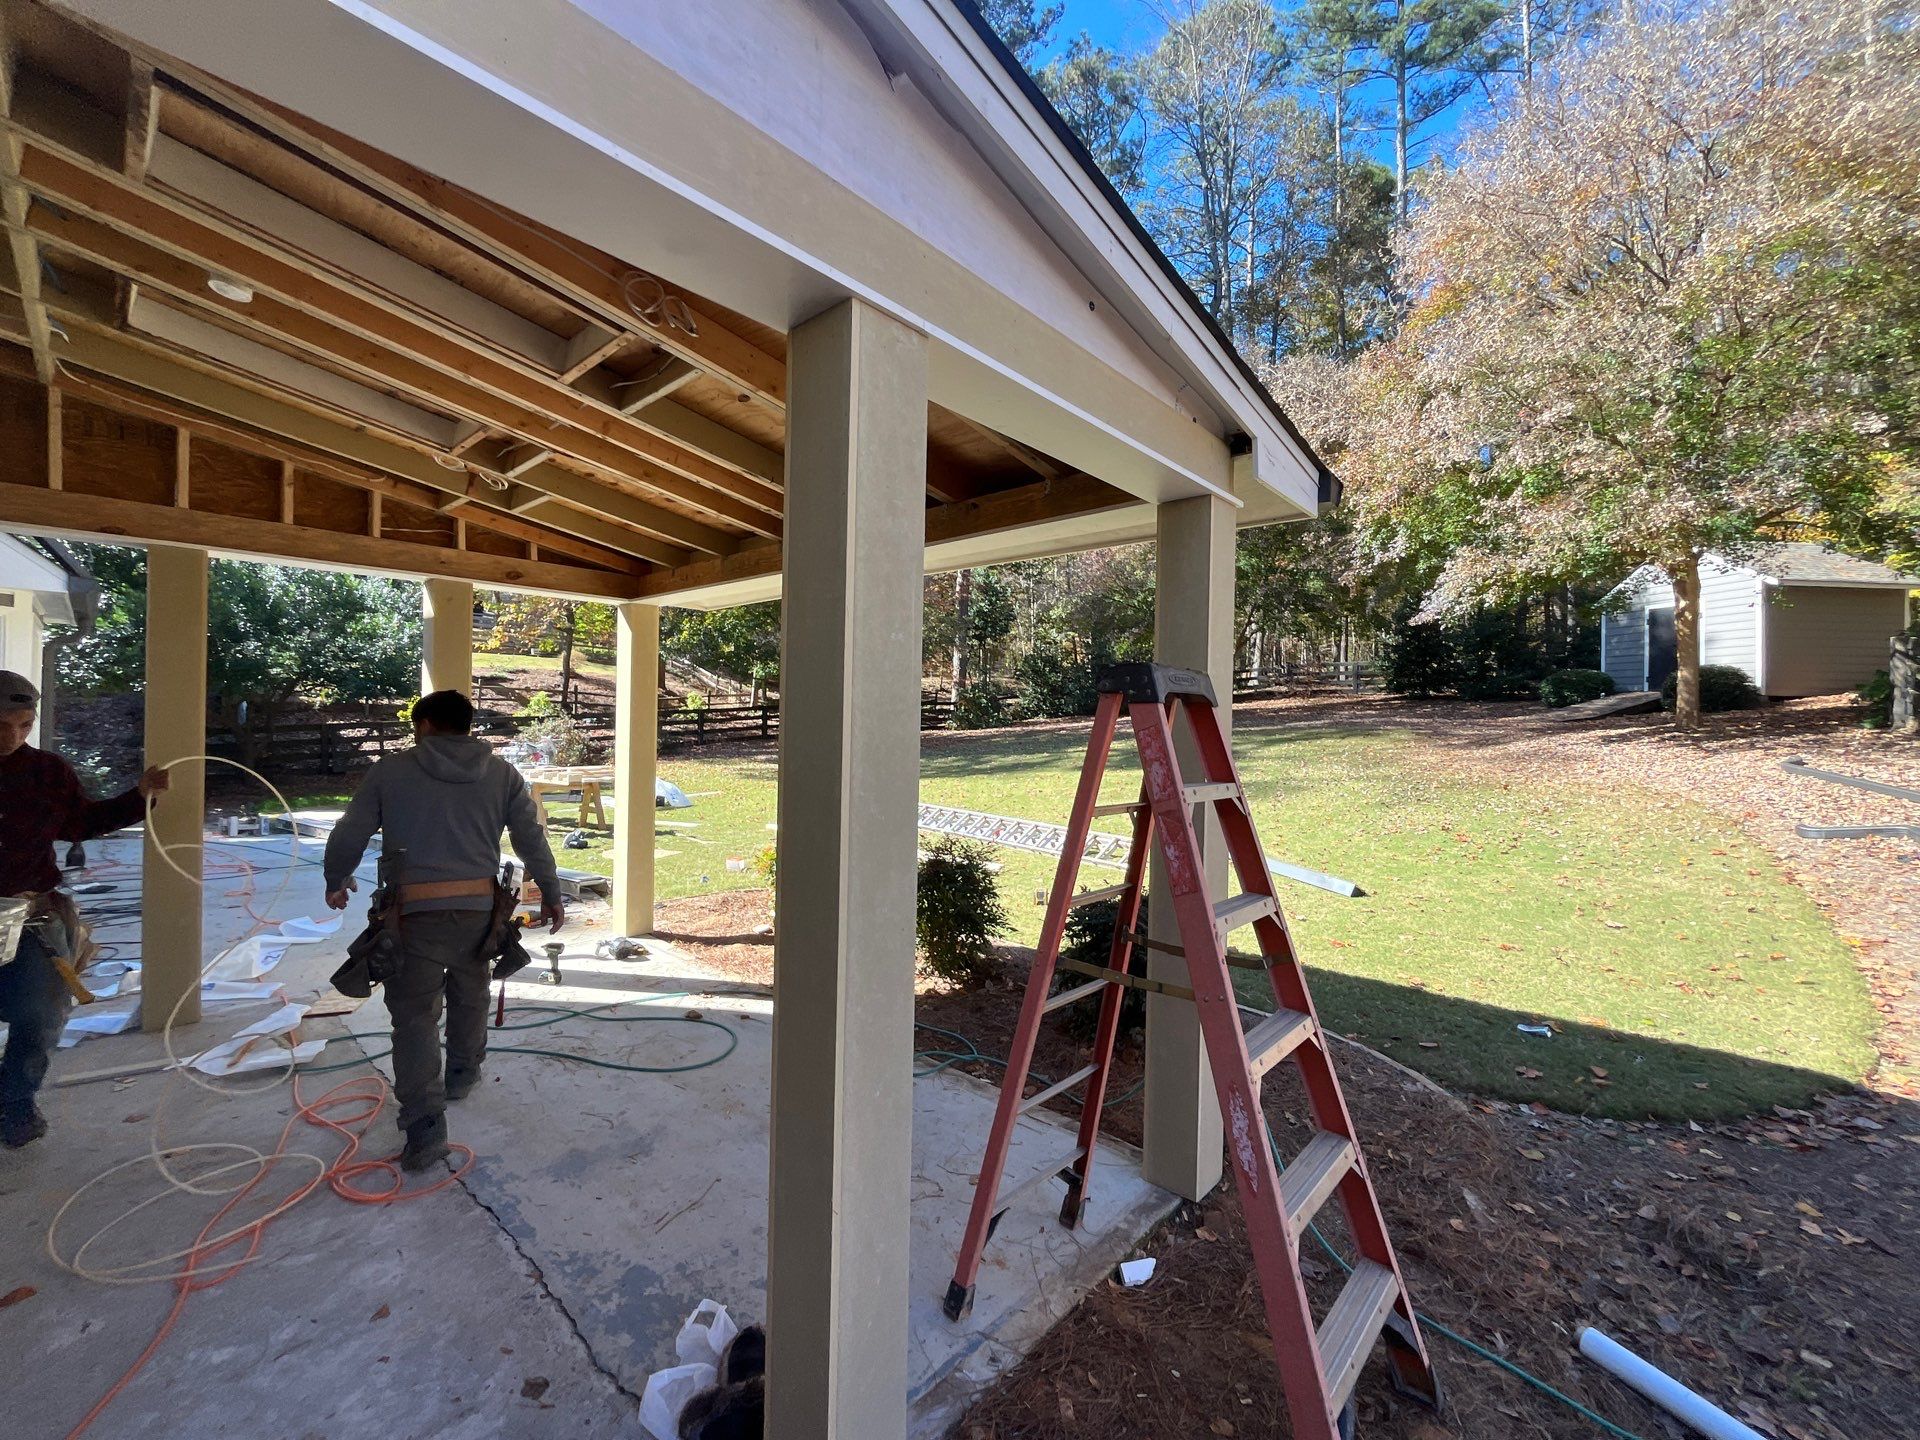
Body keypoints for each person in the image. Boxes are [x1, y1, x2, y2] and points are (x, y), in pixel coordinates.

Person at [323, 689, 564, 1172]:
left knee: (413, 1018)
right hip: (479, 911)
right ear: (466, 725)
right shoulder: (502, 774)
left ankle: (426, 1129)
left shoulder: (391, 771)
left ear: (426, 725)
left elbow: (351, 829)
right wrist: (553, 891)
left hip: (413, 917)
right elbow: (529, 836)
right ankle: (462, 1074)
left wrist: (336, 877)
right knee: (471, 992)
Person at [0, 670, 169, 1149]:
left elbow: (83, 821)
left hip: (30, 912)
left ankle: (15, 1104)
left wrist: (139, 798)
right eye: (1, 726)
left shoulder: (47, 772)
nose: (13, 736)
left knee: (40, 1012)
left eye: (24, 725)